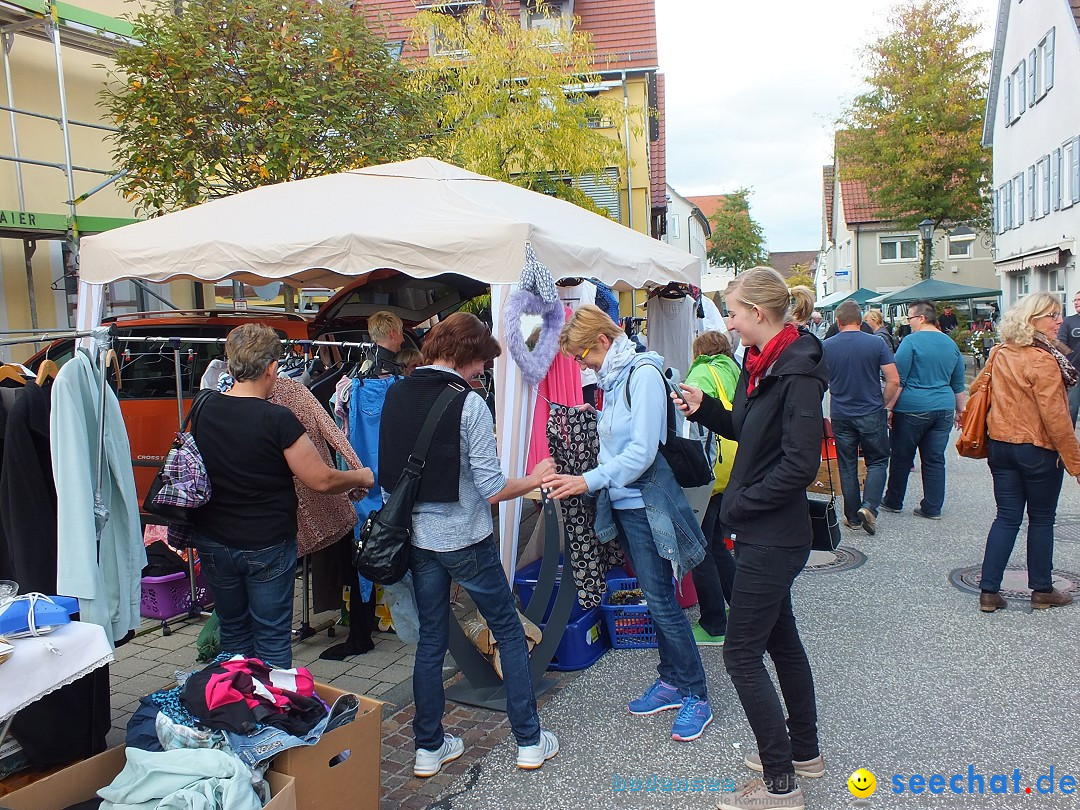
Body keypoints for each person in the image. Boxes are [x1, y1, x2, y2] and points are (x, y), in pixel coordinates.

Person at [378, 312, 559, 777]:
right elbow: (492, 488)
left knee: (431, 642)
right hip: (467, 540)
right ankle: (529, 741)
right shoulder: (469, 404)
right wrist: (535, 478)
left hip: (418, 540)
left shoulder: (396, 393)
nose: (483, 371)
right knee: (508, 630)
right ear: (465, 355)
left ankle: (427, 748)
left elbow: (388, 477)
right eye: (480, 362)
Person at [673, 267, 827, 810]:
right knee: (781, 642)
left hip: (774, 534)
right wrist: (706, 408)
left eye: (733, 313)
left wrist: (739, 504)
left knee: (740, 656)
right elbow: (749, 430)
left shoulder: (797, 372)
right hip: (762, 530)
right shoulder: (759, 365)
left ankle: (780, 785)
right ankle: (802, 753)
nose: (729, 323)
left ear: (757, 314)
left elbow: (800, 463)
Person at [543, 305, 713, 743]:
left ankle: (695, 691)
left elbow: (643, 452)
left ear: (601, 341)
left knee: (660, 600)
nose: (581, 365)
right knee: (655, 598)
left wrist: (587, 480)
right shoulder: (615, 379)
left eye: (583, 355)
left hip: (643, 503)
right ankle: (673, 680)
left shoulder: (640, 375)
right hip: (624, 501)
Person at [191, 324, 375, 668]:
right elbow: (320, 479)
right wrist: (360, 475)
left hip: (214, 541)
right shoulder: (277, 418)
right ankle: (272, 715)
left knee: (234, 635)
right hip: (265, 543)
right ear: (272, 368)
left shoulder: (204, 408)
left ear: (231, 368)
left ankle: (236, 710)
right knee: (272, 637)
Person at [976, 293, 1080, 612]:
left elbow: (979, 388)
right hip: (1036, 450)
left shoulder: (1000, 352)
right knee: (1041, 519)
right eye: (1052, 315)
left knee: (1006, 517)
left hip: (1001, 446)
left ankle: (989, 591)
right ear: (1033, 320)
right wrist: (1076, 463)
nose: (1059, 320)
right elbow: (1056, 418)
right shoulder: (1044, 359)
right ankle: (1042, 590)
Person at [881, 300, 966, 519]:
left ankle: (894, 500)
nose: (908, 323)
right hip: (943, 408)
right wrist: (960, 411)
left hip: (912, 408)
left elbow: (898, 380)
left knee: (901, 456)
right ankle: (932, 506)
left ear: (920, 318)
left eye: (909, 318)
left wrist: (888, 407)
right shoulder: (950, 344)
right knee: (935, 458)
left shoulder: (911, 342)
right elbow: (958, 383)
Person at [823, 301, 900, 535]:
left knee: (847, 464)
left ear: (838, 322)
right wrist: (883, 403)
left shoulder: (826, 345)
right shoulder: (875, 343)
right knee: (877, 460)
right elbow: (893, 380)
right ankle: (869, 507)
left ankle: (852, 517)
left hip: (841, 413)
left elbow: (821, 380)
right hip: (870, 411)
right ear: (861, 321)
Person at [684, 330, 740, 646]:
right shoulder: (732, 367)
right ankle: (736, 606)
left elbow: (694, 424)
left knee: (700, 545)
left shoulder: (702, 371)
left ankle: (713, 623)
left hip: (711, 467)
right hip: (732, 465)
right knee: (715, 541)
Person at [1056, 290, 1080, 426]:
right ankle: (1069, 442)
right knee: (1072, 408)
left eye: (1079, 300)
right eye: (1075, 300)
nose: (1076, 302)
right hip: (1075, 372)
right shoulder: (1068, 321)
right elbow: (1060, 344)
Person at [364, 310, 406, 377]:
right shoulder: (386, 369)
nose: (403, 339)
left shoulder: (369, 360)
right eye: (401, 332)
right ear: (393, 334)